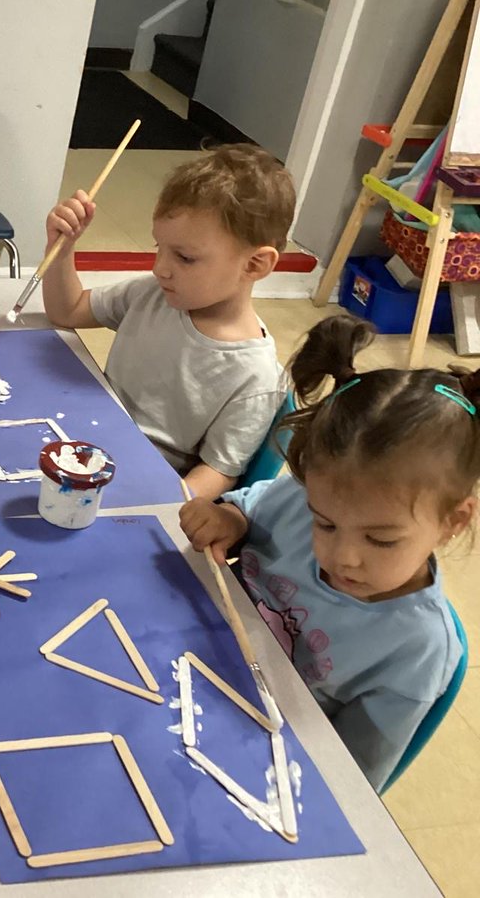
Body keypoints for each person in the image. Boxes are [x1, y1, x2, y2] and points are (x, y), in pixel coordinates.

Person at [180, 316, 472, 790]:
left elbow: (345, 783)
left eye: (380, 540)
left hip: (251, 755)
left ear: (453, 522)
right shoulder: (307, 497)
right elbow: (253, 505)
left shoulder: (417, 650)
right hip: (195, 654)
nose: (342, 557)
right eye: (325, 523)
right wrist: (230, 519)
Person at [43, 144, 294, 498]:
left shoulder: (257, 376)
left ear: (255, 265)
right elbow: (67, 311)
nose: (160, 268)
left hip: (138, 487)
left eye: (185, 258)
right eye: (158, 247)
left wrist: (146, 507)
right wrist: (61, 249)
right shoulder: (154, 294)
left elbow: (217, 474)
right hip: (82, 440)